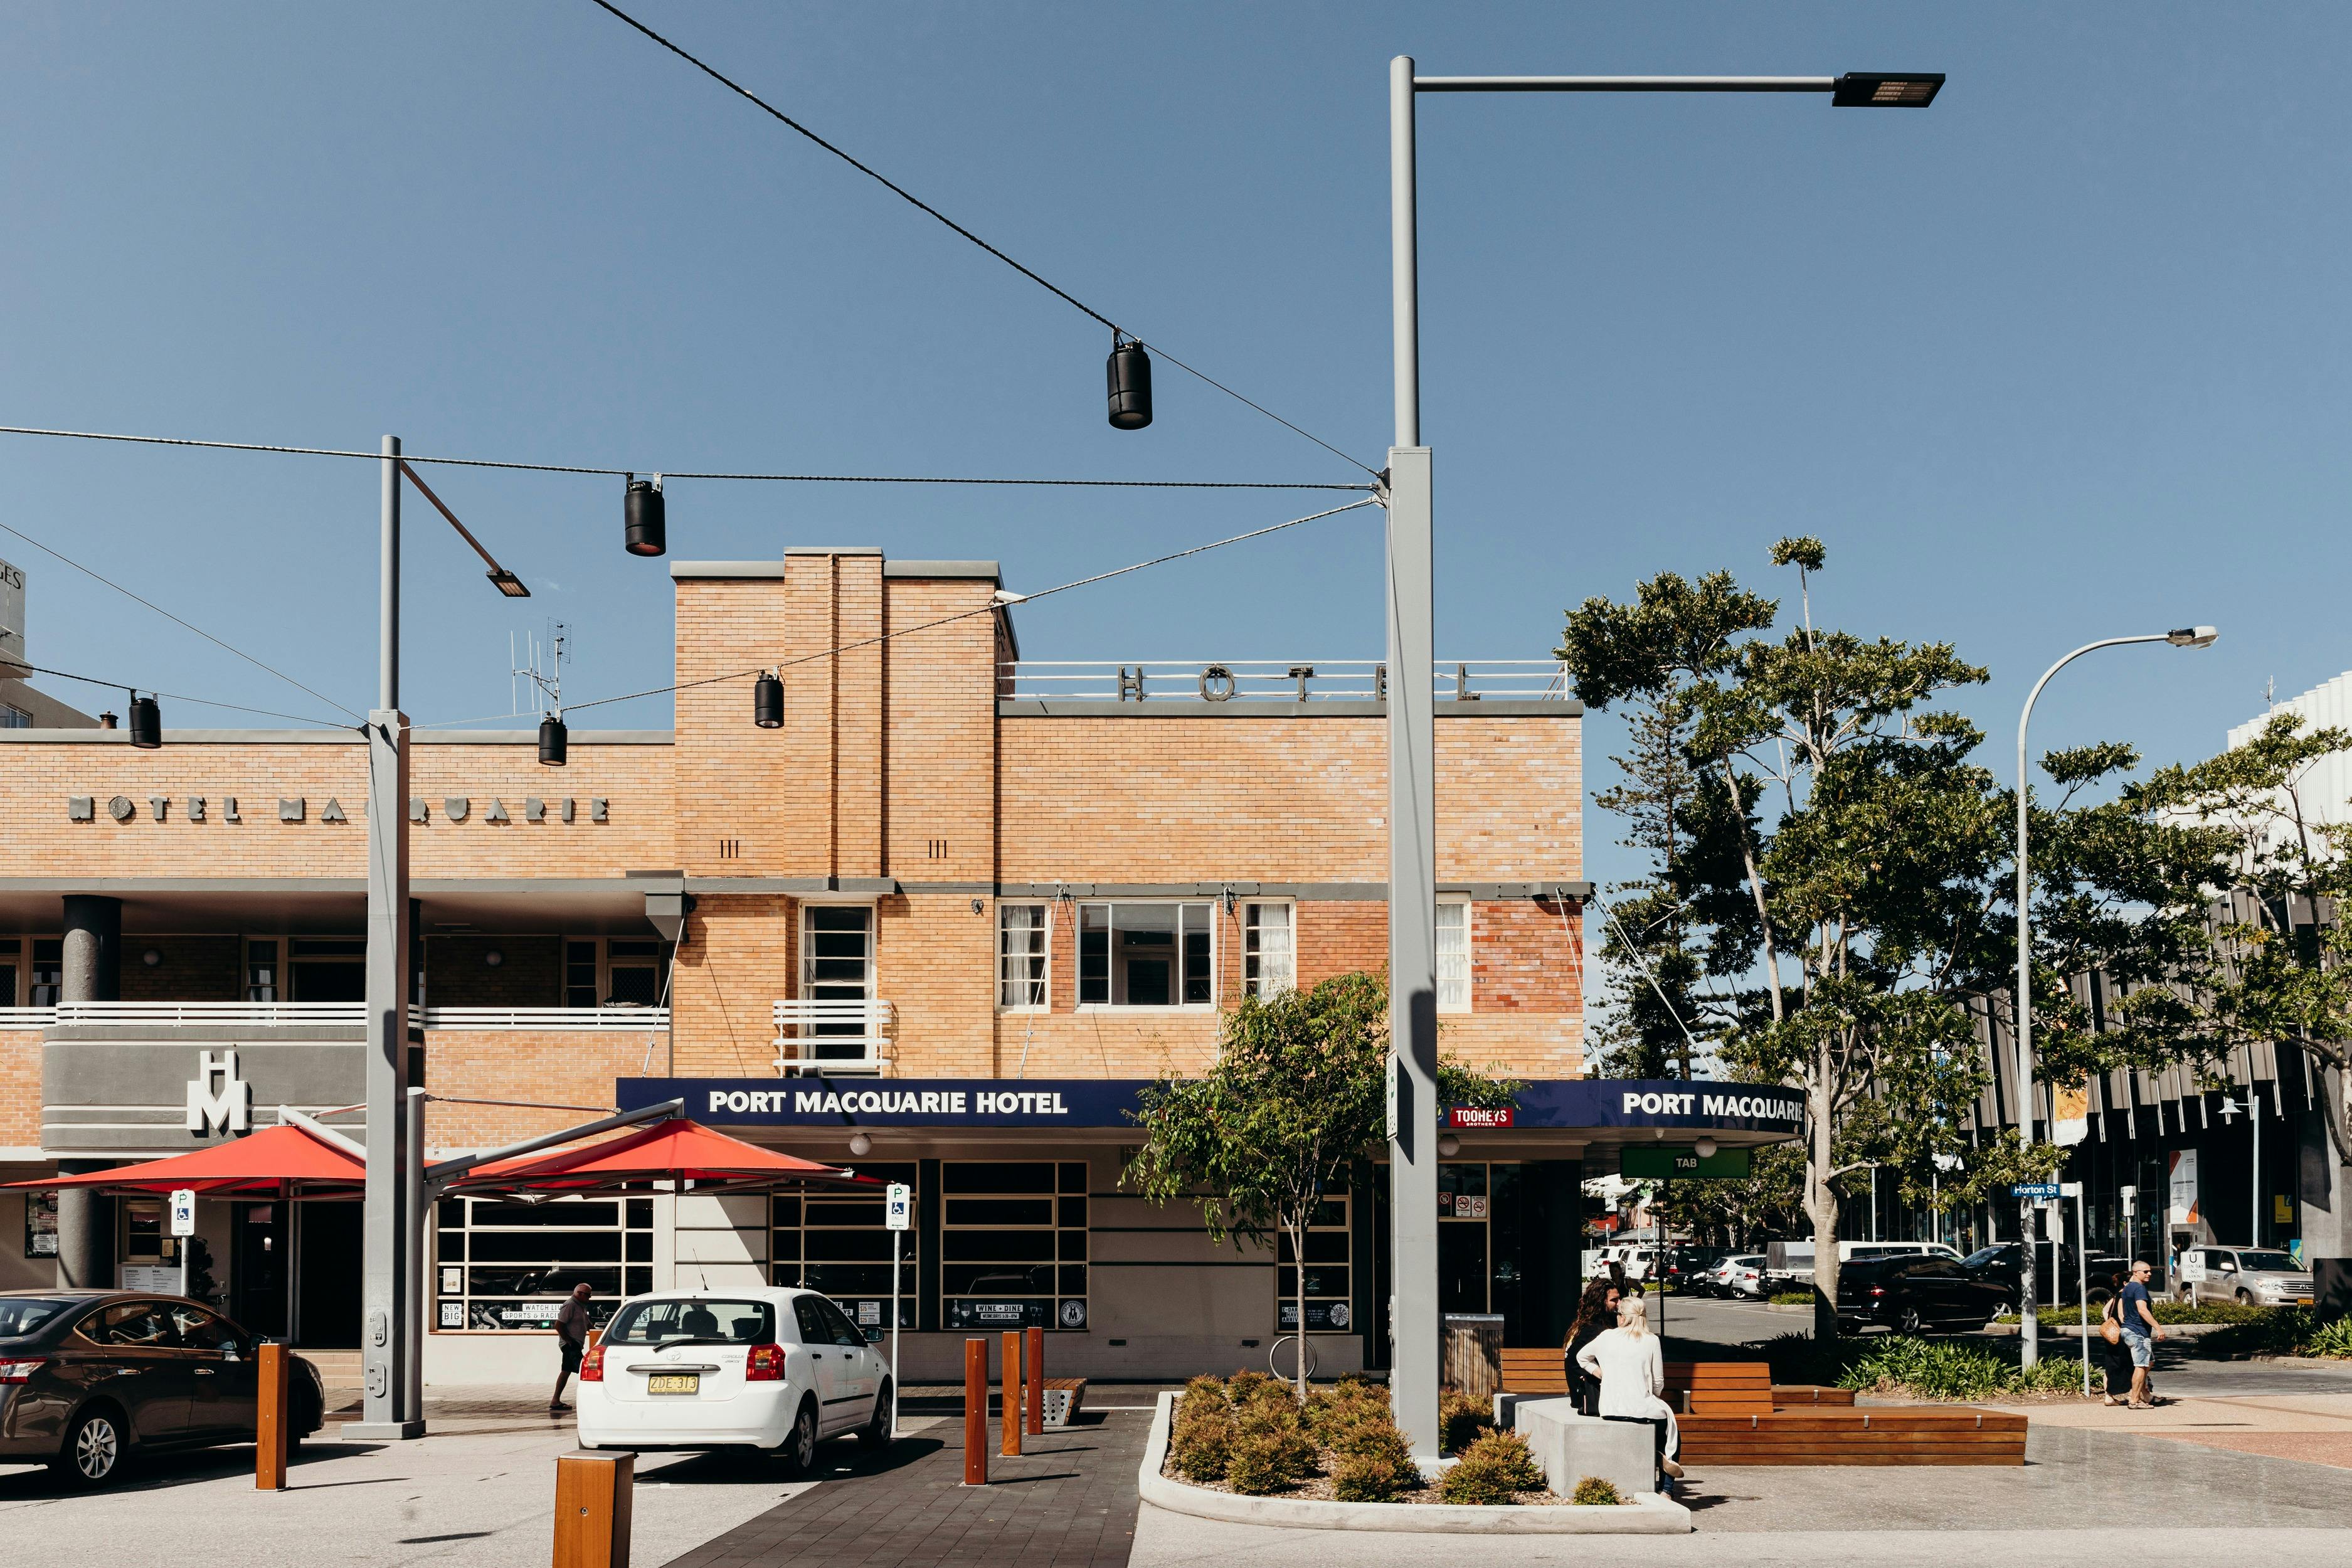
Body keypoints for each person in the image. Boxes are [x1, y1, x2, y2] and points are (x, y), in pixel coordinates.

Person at [1576, 1293, 1683, 1485]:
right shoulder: (1651, 1340)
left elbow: (1581, 1357)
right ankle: (1666, 1488)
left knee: (1662, 1427)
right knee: (1672, 1434)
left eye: (1618, 1314)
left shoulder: (1606, 1337)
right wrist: (1651, 1395)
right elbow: (1658, 1382)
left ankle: (1657, 1453)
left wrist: (1602, 1374)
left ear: (1623, 1318)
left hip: (1610, 1408)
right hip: (1641, 1407)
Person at [1564, 1278, 1621, 1417]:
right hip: (1589, 1398)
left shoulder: (1585, 1323)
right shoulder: (1598, 1330)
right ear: (1601, 1302)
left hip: (1581, 1395)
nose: (1620, 1303)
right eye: (1614, 1300)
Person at [2117, 1259, 2164, 1409]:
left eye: (2150, 1271)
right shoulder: (2139, 1288)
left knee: (2149, 1362)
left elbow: (2122, 1309)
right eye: (2146, 1271)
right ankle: (2134, 1400)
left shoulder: (2127, 1288)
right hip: (2138, 1332)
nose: (2149, 1274)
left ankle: (2143, 1393)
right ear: (2136, 1273)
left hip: (2129, 1330)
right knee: (2141, 1366)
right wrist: (2158, 1328)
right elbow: (2143, 1310)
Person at [550, 1281, 594, 1415]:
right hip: (571, 1345)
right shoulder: (570, 1305)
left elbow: (587, 1325)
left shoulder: (581, 1307)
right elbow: (559, 1325)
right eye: (588, 1295)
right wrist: (569, 1341)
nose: (589, 1298)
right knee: (586, 1370)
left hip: (575, 1344)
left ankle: (555, 1401)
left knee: (567, 1371)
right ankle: (589, 1399)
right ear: (579, 1294)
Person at [2095, 1272, 2132, 1406]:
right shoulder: (2125, 1296)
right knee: (2131, 1364)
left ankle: (2109, 1396)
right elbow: (2123, 1316)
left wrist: (2111, 1322)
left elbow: (2105, 1310)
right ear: (2125, 1283)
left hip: (2112, 1335)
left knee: (2111, 1364)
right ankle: (2133, 1394)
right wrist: (2122, 1326)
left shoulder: (2117, 1296)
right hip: (2122, 1335)